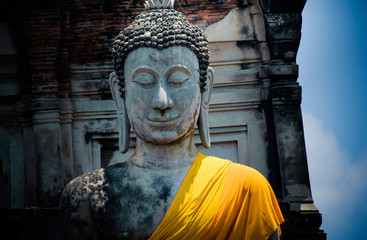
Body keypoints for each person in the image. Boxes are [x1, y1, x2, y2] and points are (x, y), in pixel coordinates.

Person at [58, 1, 284, 239]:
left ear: (204, 89)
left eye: (177, 81)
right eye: (145, 82)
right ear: (119, 93)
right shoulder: (88, 196)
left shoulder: (246, 190)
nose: (162, 101)